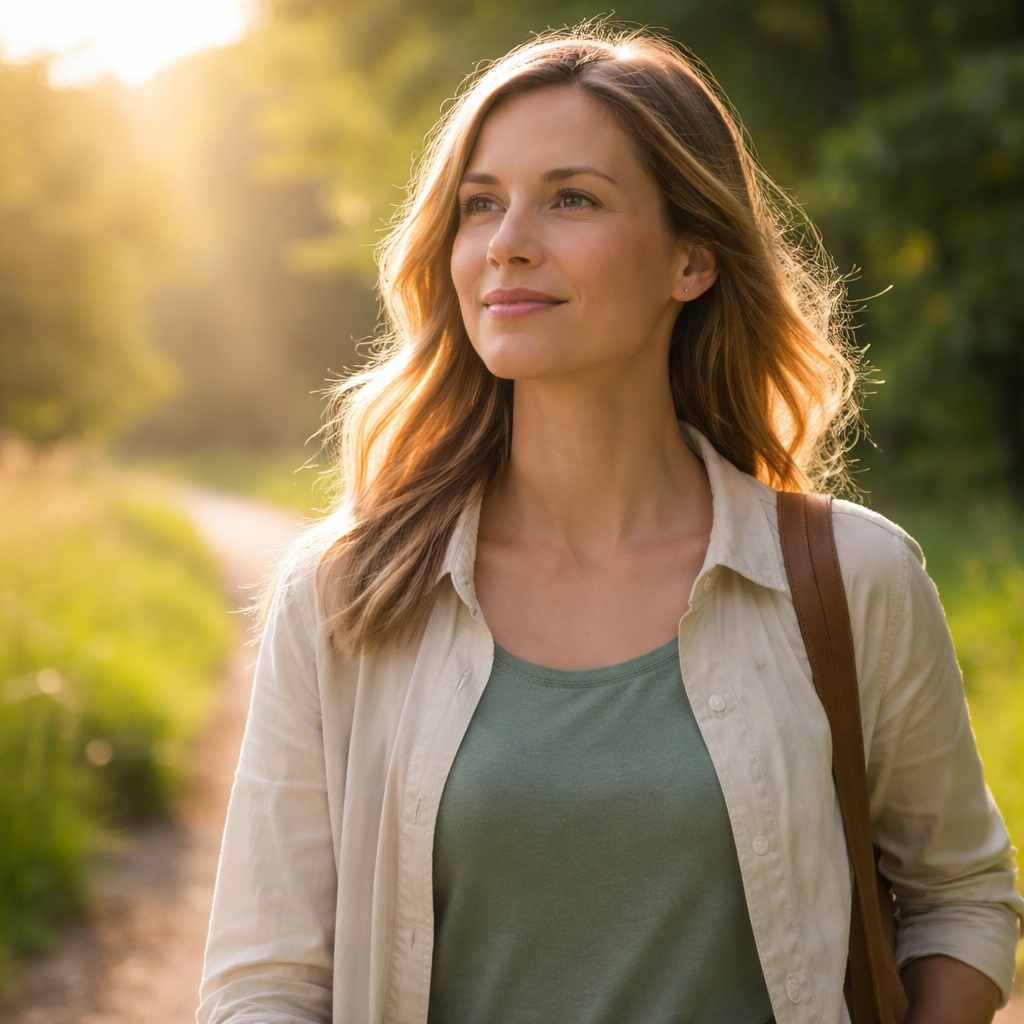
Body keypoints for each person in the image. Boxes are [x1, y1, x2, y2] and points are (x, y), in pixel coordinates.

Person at [197, 26, 1022, 1024]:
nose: (506, 241)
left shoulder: (851, 578)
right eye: (480, 204)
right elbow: (264, 983)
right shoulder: (344, 593)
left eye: (572, 198)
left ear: (691, 260)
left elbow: (958, 900)